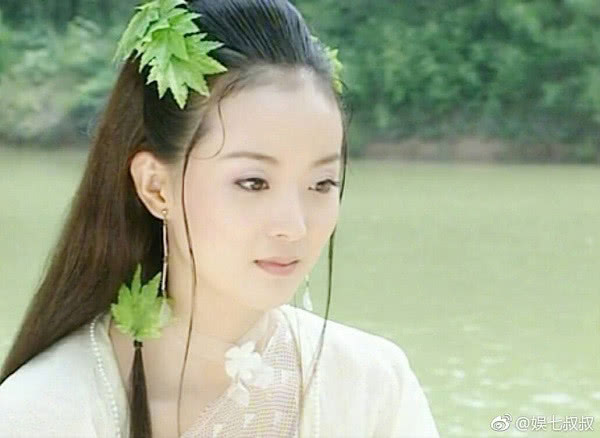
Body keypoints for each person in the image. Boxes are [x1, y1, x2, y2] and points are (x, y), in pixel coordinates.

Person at [0, 0, 440, 437]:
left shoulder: (371, 388)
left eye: (322, 184)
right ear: (156, 187)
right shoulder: (43, 413)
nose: (295, 226)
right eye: (253, 182)